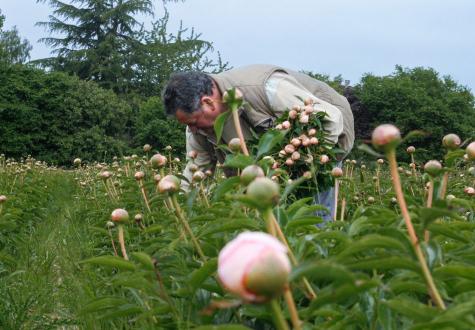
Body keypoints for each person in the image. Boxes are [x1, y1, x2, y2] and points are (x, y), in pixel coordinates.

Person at [162, 64, 354, 221]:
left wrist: (296, 174)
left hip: (324, 139)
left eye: (194, 123)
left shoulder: (268, 88)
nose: (193, 129)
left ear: (208, 103)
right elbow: (197, 168)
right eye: (189, 125)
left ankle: (318, 258)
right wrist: (176, 208)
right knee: (268, 221)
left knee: (312, 217)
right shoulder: (197, 125)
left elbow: (330, 120)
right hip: (270, 169)